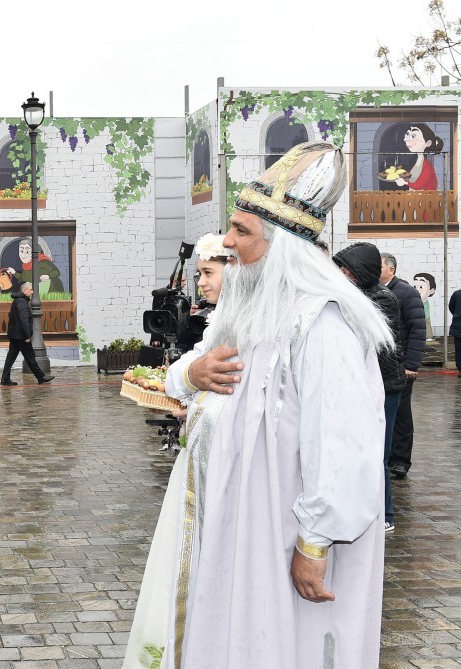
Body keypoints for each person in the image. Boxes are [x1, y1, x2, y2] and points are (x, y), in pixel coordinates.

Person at [123, 143, 392, 669]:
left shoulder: (324, 325)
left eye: (241, 232)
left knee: (286, 643)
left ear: (282, 246)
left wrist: (314, 544)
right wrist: (190, 374)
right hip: (235, 525)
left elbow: (343, 445)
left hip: (282, 532)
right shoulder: (245, 314)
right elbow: (188, 369)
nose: (226, 241)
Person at [333, 242, 406, 532]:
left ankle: (385, 515)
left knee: (379, 453)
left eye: (346, 269)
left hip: (386, 386)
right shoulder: (358, 293)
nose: (341, 273)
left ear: (359, 271)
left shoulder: (382, 298)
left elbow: (368, 338)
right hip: (363, 384)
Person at [380, 252, 425, 479]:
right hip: (379, 363)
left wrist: (412, 364)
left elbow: (418, 330)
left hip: (401, 365)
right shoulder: (369, 291)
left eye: (379, 267)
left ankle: (400, 461)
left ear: (391, 270)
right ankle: (382, 456)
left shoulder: (406, 293)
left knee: (401, 415)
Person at [0, 281, 55, 386]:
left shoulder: (19, 300)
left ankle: (5, 379)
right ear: (24, 290)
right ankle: (41, 377)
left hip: (16, 336)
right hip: (21, 336)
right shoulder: (21, 302)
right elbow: (23, 319)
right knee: (30, 357)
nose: (32, 291)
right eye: (30, 290)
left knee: (11, 358)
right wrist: (27, 335)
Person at [393, 123, 444, 191]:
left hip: (425, 199)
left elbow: (419, 185)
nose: (405, 139)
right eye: (407, 134)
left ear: (428, 143)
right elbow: (413, 178)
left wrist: (404, 182)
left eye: (413, 136)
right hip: (415, 198)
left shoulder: (427, 165)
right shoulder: (418, 161)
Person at [413, 271, 436, 340]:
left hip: (425, 316)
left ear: (431, 290)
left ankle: (428, 335)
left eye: (421, 287)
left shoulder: (424, 302)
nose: (417, 289)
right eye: (414, 286)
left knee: (427, 322)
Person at [451, 287, 461, 376]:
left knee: (459, 350)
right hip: (458, 326)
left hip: (458, 326)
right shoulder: (456, 294)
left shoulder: (457, 294)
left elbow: (451, 307)